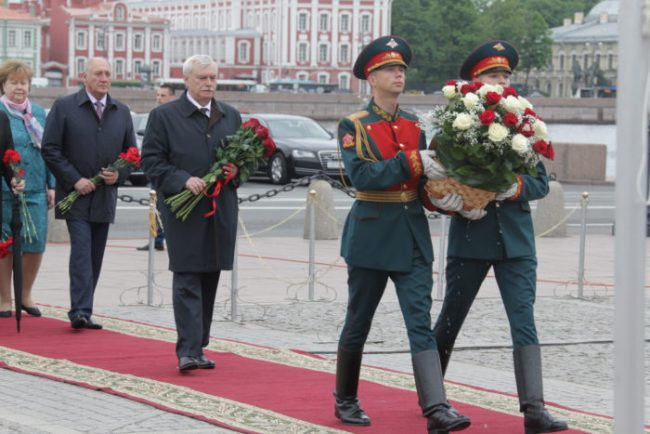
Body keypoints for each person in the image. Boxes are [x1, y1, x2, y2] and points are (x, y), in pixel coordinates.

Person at [334, 35, 471, 433]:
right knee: (359, 320)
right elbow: (361, 175)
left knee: (419, 320)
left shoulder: (414, 123)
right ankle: (345, 398)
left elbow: (422, 182)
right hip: (372, 235)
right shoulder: (354, 125)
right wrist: (413, 160)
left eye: (402, 69)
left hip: (411, 233)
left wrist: (449, 198)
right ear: (371, 78)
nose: (399, 74)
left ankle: (436, 408)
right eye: (391, 69)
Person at [432, 40, 569, 434]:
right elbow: (438, 178)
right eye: (494, 75)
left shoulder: (522, 121)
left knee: (524, 321)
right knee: (451, 318)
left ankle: (534, 410)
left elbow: (541, 182)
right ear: (475, 81)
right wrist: (454, 202)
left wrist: (514, 189)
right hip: (472, 236)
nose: (502, 81)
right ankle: (433, 398)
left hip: (516, 241)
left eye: (506, 75)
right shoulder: (453, 124)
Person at [141, 55, 241, 372]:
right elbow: (152, 163)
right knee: (187, 275)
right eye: (202, 78)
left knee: (211, 273)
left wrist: (235, 171)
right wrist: (183, 179)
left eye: (213, 78)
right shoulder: (163, 116)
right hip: (184, 212)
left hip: (220, 209)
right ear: (186, 80)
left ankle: (198, 345)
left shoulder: (230, 116)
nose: (209, 83)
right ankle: (187, 349)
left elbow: (244, 165)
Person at [42, 57, 137, 330]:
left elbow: (131, 154)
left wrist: (119, 174)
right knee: (82, 252)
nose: (104, 78)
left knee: (95, 254)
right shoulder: (64, 107)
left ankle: (85, 307)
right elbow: (50, 149)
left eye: (108, 73)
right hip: (76, 197)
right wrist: (75, 180)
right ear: (84, 76)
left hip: (104, 197)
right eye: (98, 73)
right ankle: (80, 311)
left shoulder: (121, 111)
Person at [0, 60, 55, 318]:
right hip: (5, 188)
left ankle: (25, 294)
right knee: (6, 244)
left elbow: (50, 150)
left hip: (35, 187)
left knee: (35, 243)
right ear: (4, 85)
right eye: (14, 82)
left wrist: (52, 184)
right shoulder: (1, 112)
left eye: (24, 83)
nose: (19, 87)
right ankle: (4, 298)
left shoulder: (39, 114)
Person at [136, 83, 177, 252]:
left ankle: (168, 239)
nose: (159, 98)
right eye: (158, 95)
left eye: (163, 95)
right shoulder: (156, 115)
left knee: (170, 209)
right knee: (156, 207)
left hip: (172, 171)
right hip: (158, 170)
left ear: (172, 97)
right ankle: (157, 239)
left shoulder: (177, 116)